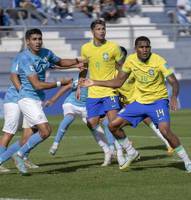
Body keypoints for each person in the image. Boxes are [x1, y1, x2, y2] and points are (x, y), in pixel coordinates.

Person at [81, 36, 191, 173]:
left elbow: (173, 81)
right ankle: (131, 152)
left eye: (147, 47)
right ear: (136, 49)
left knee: (165, 131)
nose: (145, 49)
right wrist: (94, 82)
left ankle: (187, 161)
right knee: (113, 125)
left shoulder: (158, 60)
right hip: (140, 103)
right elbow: (118, 82)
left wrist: (174, 97)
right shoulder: (130, 60)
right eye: (141, 47)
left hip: (158, 102)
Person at [8, 28, 84, 175]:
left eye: (39, 39)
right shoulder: (25, 58)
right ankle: (19, 155)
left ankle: (16, 156)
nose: (37, 42)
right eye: (34, 39)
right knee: (44, 131)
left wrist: (77, 61)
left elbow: (60, 62)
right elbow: (37, 84)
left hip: (36, 99)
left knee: (35, 132)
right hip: (27, 98)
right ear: (28, 41)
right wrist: (59, 84)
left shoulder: (46, 53)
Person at [78, 19, 137, 169]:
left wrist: (121, 83)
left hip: (109, 90)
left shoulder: (113, 48)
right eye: (98, 29)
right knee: (91, 122)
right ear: (92, 31)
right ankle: (113, 149)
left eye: (103, 28)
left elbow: (122, 67)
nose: (102, 31)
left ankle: (125, 152)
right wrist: (80, 85)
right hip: (93, 91)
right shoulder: (85, 48)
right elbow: (84, 68)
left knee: (113, 124)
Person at [45, 79, 124, 166]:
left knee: (97, 127)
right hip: (72, 104)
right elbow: (67, 87)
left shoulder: (100, 84)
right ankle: (55, 144)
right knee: (68, 118)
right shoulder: (83, 81)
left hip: (86, 107)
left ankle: (108, 151)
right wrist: (53, 100)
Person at [117, 46, 174, 156]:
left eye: (120, 55)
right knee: (113, 124)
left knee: (152, 124)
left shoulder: (132, 68)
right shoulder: (117, 71)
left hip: (139, 101)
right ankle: (124, 148)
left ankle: (169, 143)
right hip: (128, 102)